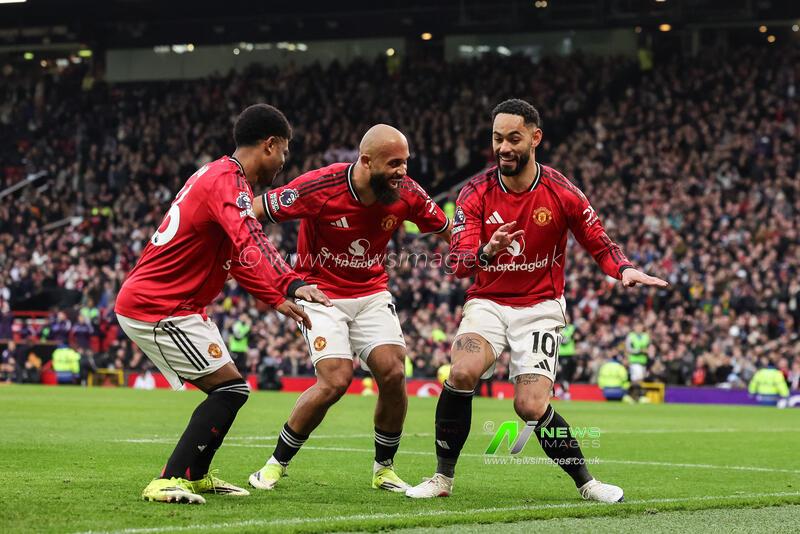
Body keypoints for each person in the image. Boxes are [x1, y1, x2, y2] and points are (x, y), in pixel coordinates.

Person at [406, 99, 668, 502]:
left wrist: (624, 269)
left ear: (535, 138)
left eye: (513, 138)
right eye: (497, 139)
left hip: (540, 307)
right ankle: (442, 479)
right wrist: (487, 253)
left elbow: (598, 241)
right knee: (461, 374)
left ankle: (586, 483)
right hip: (488, 302)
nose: (504, 147)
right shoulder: (474, 193)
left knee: (529, 407)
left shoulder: (562, 192)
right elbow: (457, 263)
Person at [114, 104, 331, 505]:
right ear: (270, 145)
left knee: (231, 388)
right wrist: (291, 282)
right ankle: (170, 479)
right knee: (230, 388)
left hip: (177, 305)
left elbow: (236, 256)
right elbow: (250, 238)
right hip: (157, 306)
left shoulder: (219, 177)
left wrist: (275, 297)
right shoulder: (228, 183)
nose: (284, 163)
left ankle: (195, 476)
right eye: (284, 152)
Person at [249, 124, 450, 493]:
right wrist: (272, 274)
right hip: (320, 293)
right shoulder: (321, 186)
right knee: (336, 380)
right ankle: (275, 464)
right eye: (393, 163)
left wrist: (486, 250)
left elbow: (448, 229)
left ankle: (383, 469)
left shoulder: (406, 192)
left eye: (405, 162)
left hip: (371, 292)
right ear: (365, 160)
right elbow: (256, 210)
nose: (402, 172)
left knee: (392, 373)